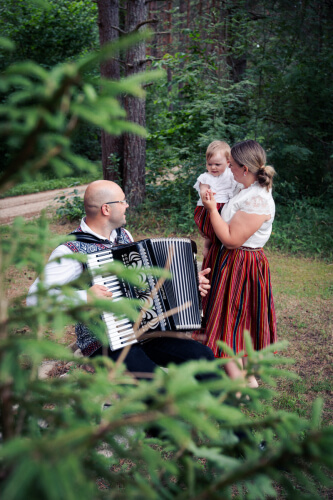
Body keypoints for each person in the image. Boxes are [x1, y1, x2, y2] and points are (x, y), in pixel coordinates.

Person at [27, 180, 214, 379]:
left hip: (142, 332)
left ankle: (217, 407)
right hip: (103, 342)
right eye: (122, 201)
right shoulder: (71, 249)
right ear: (106, 209)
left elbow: (144, 283)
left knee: (202, 356)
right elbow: (35, 299)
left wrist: (189, 284)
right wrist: (85, 298)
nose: (127, 205)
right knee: (155, 381)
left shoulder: (124, 236)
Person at [193, 140, 277, 388]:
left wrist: (211, 210)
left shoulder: (257, 199)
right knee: (232, 321)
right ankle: (247, 378)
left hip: (240, 264)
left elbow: (231, 239)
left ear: (244, 169)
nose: (228, 170)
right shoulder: (246, 189)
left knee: (226, 323)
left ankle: (240, 386)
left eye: (231, 165)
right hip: (230, 261)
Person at [193, 140, 237, 273]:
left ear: (228, 163)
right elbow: (202, 189)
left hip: (224, 206)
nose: (213, 167)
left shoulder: (231, 174)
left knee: (222, 231)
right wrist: (205, 194)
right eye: (209, 164)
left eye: (218, 164)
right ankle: (207, 246)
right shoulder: (205, 177)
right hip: (208, 206)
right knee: (210, 230)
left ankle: (218, 250)